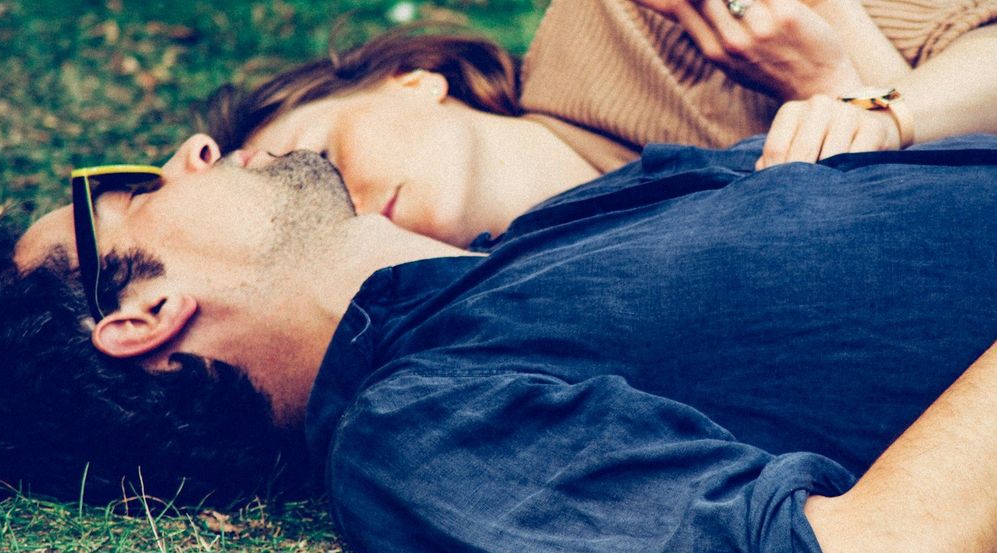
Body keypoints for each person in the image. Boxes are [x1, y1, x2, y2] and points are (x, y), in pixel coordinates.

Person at [0, 130, 997, 553]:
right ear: (139, 315)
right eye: (126, 192)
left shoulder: (522, 245)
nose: (195, 147)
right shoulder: (416, 435)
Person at [208, 2, 997, 245]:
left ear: (413, 80)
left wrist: (874, 107)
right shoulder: (565, 283)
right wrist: (829, 81)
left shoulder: (625, 18)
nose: (337, 208)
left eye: (314, 162)